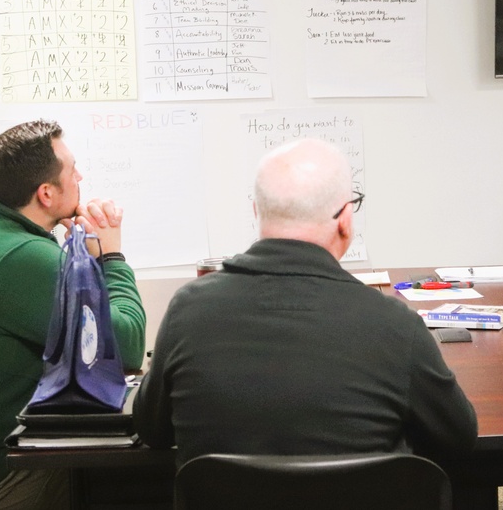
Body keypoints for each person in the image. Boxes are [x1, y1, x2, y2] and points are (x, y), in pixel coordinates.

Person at [133, 139, 478, 466]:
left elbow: (153, 431)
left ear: (256, 211)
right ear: (344, 220)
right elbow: (457, 439)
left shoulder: (188, 311)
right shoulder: (394, 324)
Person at [0, 120, 145, 510]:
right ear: (46, 193)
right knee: (129, 480)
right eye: (73, 170)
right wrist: (111, 256)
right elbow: (125, 347)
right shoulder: (20, 258)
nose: (81, 177)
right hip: (1, 475)